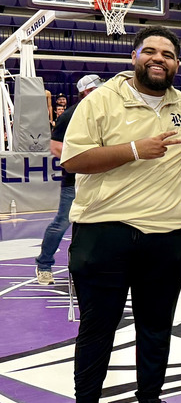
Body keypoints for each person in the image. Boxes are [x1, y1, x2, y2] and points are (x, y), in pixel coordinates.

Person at [48, 27, 181, 403]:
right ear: (135, 57)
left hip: (166, 235)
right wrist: (134, 149)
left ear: (176, 65)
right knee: (97, 328)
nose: (158, 58)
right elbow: (71, 159)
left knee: (156, 328)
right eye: (149, 51)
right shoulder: (99, 101)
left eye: (167, 54)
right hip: (104, 233)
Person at [35, 75, 102, 286]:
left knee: (98, 225)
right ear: (85, 93)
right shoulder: (70, 115)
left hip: (99, 179)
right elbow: (55, 147)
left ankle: (87, 268)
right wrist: (85, 159)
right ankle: (44, 265)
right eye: (94, 90)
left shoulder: (105, 113)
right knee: (62, 222)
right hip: (74, 181)